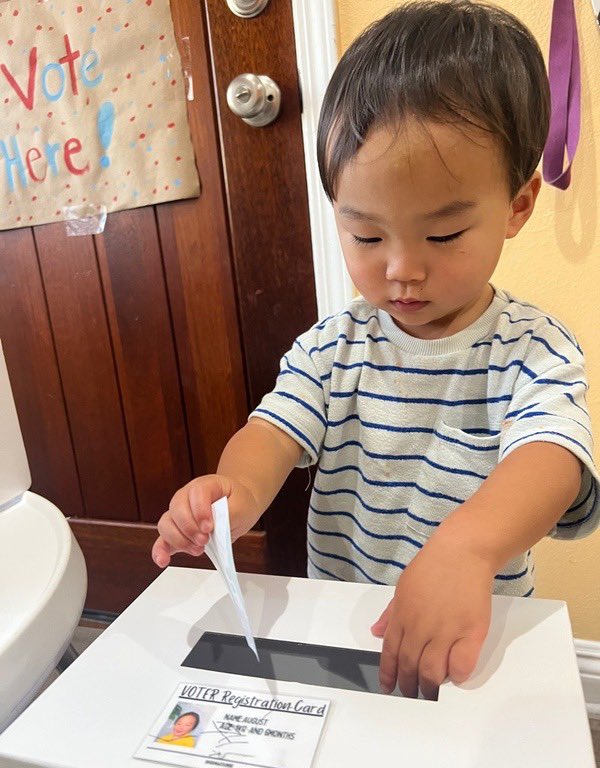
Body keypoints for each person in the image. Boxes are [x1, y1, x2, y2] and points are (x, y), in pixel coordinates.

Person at [152, 1, 599, 701]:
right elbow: (271, 433)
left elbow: (555, 462)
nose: (401, 269)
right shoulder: (335, 347)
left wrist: (468, 547)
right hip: (343, 628)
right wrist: (234, 492)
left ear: (518, 205)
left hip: (471, 631)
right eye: (365, 236)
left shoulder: (531, 349)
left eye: (442, 236)